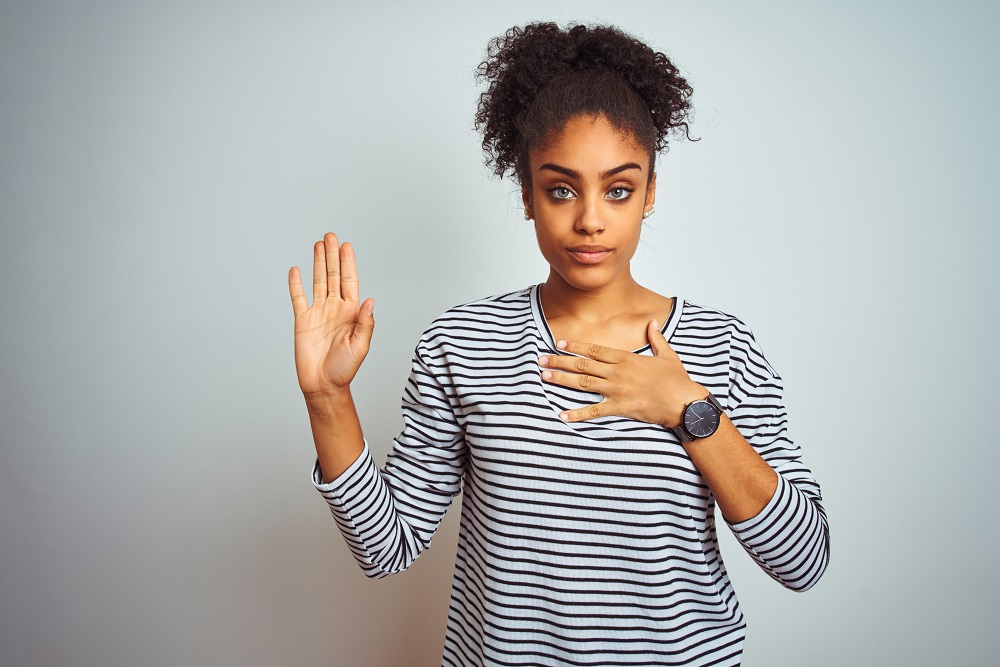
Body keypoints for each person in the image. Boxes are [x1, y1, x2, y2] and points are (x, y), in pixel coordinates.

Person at [287, 21, 830, 667]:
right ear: (527, 195)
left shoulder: (724, 347)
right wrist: (328, 397)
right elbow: (387, 548)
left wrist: (689, 408)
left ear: (650, 193)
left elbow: (803, 560)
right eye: (562, 188)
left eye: (619, 189)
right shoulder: (463, 343)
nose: (591, 218)